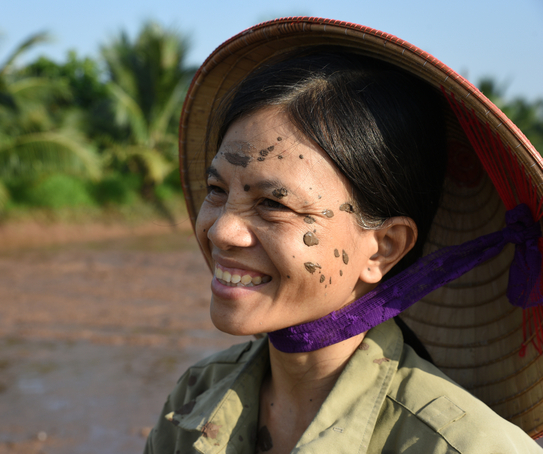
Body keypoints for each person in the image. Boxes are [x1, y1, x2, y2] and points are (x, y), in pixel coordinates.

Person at [145, 17, 543, 453]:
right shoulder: (195, 396)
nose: (222, 230)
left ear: (383, 248)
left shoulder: (466, 447)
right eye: (217, 190)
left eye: (274, 204)